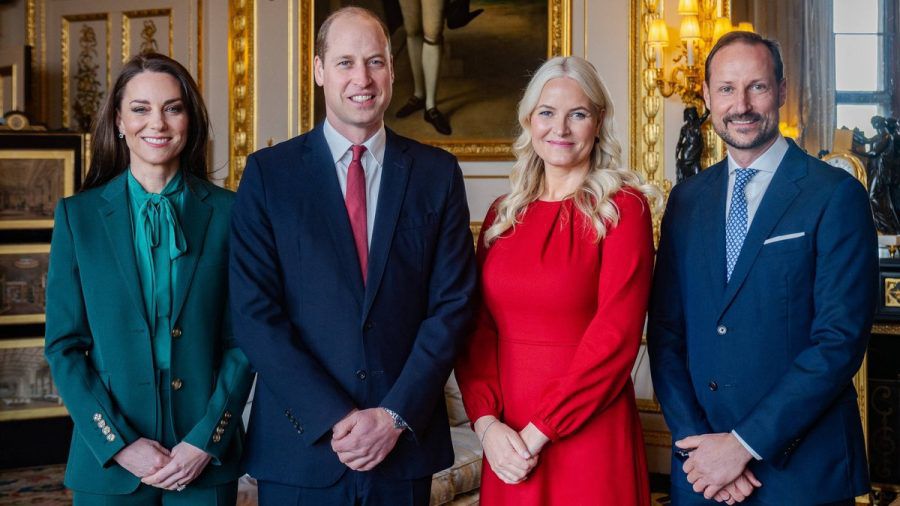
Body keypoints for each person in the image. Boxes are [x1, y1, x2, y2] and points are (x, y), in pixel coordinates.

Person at [229, 7, 476, 506]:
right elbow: (255, 316)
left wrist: (393, 416)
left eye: (375, 62)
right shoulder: (268, 175)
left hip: (403, 447)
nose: (361, 79)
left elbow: (452, 307)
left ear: (392, 69)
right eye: (344, 62)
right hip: (301, 449)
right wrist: (334, 418)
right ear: (319, 70)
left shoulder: (437, 174)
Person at [648, 31, 876, 505]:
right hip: (701, 473)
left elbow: (838, 342)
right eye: (727, 89)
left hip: (801, 474)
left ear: (782, 91)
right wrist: (701, 449)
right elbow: (667, 333)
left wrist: (743, 445)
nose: (742, 104)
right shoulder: (686, 200)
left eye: (758, 86)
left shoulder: (834, 194)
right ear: (707, 97)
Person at [44, 53, 254, 504]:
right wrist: (118, 443)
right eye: (140, 109)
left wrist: (207, 439)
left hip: (202, 455)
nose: (156, 123)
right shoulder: (77, 217)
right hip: (109, 458)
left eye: (172, 108)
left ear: (189, 120)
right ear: (118, 121)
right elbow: (64, 346)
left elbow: (245, 340)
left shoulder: (231, 213)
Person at [455, 55, 659, 505]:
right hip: (507, 439)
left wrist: (540, 431)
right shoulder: (501, 215)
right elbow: (477, 330)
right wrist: (487, 425)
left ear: (599, 122)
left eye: (578, 114)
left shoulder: (623, 209)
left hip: (588, 432)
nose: (560, 128)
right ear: (529, 121)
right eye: (547, 113)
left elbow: (616, 338)